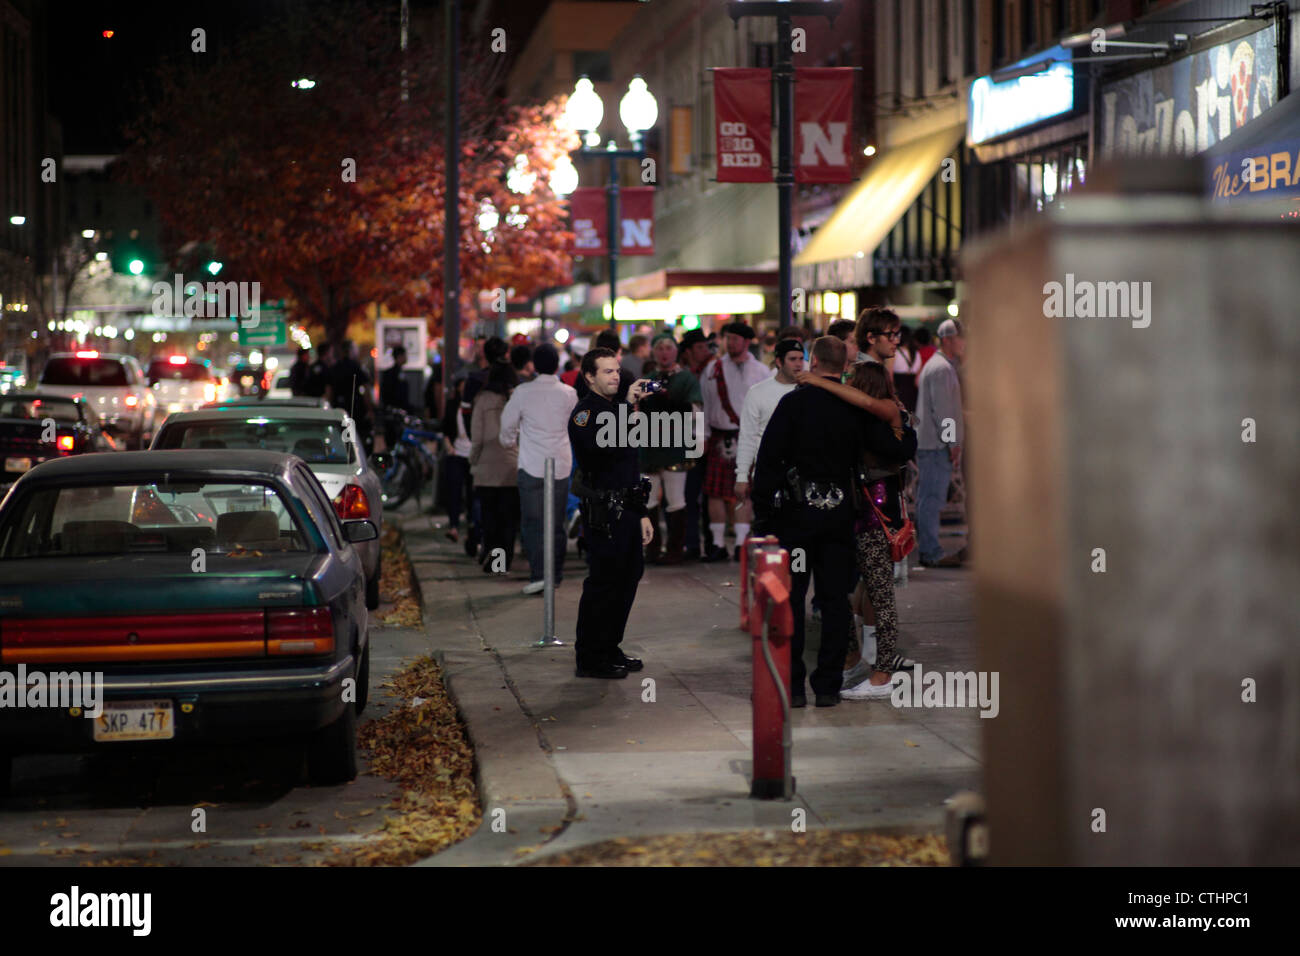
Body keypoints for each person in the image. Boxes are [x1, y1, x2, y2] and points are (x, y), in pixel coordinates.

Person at [752, 336, 911, 707]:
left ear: (813, 359)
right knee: (834, 600)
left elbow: (769, 461)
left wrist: (763, 518)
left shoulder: (792, 404)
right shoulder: (853, 410)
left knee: (791, 600)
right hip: (839, 520)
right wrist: (898, 419)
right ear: (844, 365)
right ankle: (827, 686)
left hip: (796, 519)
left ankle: (791, 688)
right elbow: (896, 449)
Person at [795, 362, 919, 699]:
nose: (847, 384)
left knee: (879, 596)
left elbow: (864, 405)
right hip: (863, 516)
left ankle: (882, 675)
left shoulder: (885, 412)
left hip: (875, 518)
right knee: (851, 593)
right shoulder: (872, 418)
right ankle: (854, 659)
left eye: (852, 381)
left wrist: (823, 383)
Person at [568, 348, 656, 679]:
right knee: (603, 584)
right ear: (589, 376)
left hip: (629, 508)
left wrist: (642, 511)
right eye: (607, 372)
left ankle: (609, 646)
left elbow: (630, 466)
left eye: (617, 371)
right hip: (603, 513)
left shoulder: (617, 409)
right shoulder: (584, 414)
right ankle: (590, 657)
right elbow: (601, 450)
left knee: (628, 578)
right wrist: (624, 406)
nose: (616, 377)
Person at [499, 344, 577, 594]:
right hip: (561, 465)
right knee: (556, 523)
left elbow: (506, 429)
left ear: (533, 364)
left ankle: (538, 574)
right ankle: (556, 574)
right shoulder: (569, 393)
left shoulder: (522, 392)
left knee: (533, 523)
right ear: (556, 366)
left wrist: (511, 442)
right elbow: (576, 426)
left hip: (531, 464)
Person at [699, 321, 771, 561]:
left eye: (735, 339)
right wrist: (705, 436)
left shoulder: (761, 371)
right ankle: (718, 544)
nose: (730, 343)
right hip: (719, 434)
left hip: (748, 436)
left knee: (744, 492)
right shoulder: (713, 369)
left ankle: (741, 543)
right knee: (715, 493)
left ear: (746, 342)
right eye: (728, 338)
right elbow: (706, 405)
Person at [638, 332, 703, 565]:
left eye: (668, 348)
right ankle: (652, 549)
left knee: (676, 500)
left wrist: (673, 404)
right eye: (660, 348)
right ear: (653, 352)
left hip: (676, 445)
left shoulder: (686, 379)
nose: (664, 353)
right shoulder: (648, 378)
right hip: (650, 447)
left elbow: (696, 411)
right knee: (649, 500)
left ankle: (675, 549)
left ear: (675, 352)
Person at [914, 318, 965, 568]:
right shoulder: (942, 369)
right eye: (960, 338)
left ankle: (929, 549)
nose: (964, 343)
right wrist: (952, 443)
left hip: (931, 443)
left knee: (928, 499)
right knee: (932, 500)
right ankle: (931, 551)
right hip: (935, 445)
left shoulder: (937, 366)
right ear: (948, 340)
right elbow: (943, 411)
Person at [734, 339, 804, 505]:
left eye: (801, 359)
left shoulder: (808, 391)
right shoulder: (757, 393)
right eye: (792, 359)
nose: (799, 364)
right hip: (768, 472)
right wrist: (742, 476)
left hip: (802, 473)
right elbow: (748, 437)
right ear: (779, 362)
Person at [469, 360, 520, 574]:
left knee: (491, 520)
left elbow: (477, 436)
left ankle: (495, 561)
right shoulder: (516, 398)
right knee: (508, 520)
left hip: (487, 467)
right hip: (512, 465)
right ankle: (503, 563)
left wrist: (473, 460)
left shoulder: (482, 399)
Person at [678, 328, 712, 561]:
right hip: (688, 439)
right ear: (689, 351)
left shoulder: (713, 370)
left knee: (710, 495)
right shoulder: (682, 374)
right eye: (700, 347)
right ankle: (691, 543)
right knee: (689, 494)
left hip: (711, 437)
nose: (706, 351)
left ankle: (711, 542)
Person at [436, 376, 473, 543]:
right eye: (462, 387)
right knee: (454, 491)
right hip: (456, 453)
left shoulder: (474, 405)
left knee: (473, 494)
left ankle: (472, 529)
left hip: (472, 454)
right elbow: (445, 429)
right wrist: (449, 447)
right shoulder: (452, 405)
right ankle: (454, 526)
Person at [327, 340, 374, 446]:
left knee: (341, 437)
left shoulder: (335, 368)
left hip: (338, 408)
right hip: (355, 408)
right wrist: (370, 409)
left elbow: (329, 391)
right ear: (350, 350)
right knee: (356, 439)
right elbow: (366, 389)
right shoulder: (356, 367)